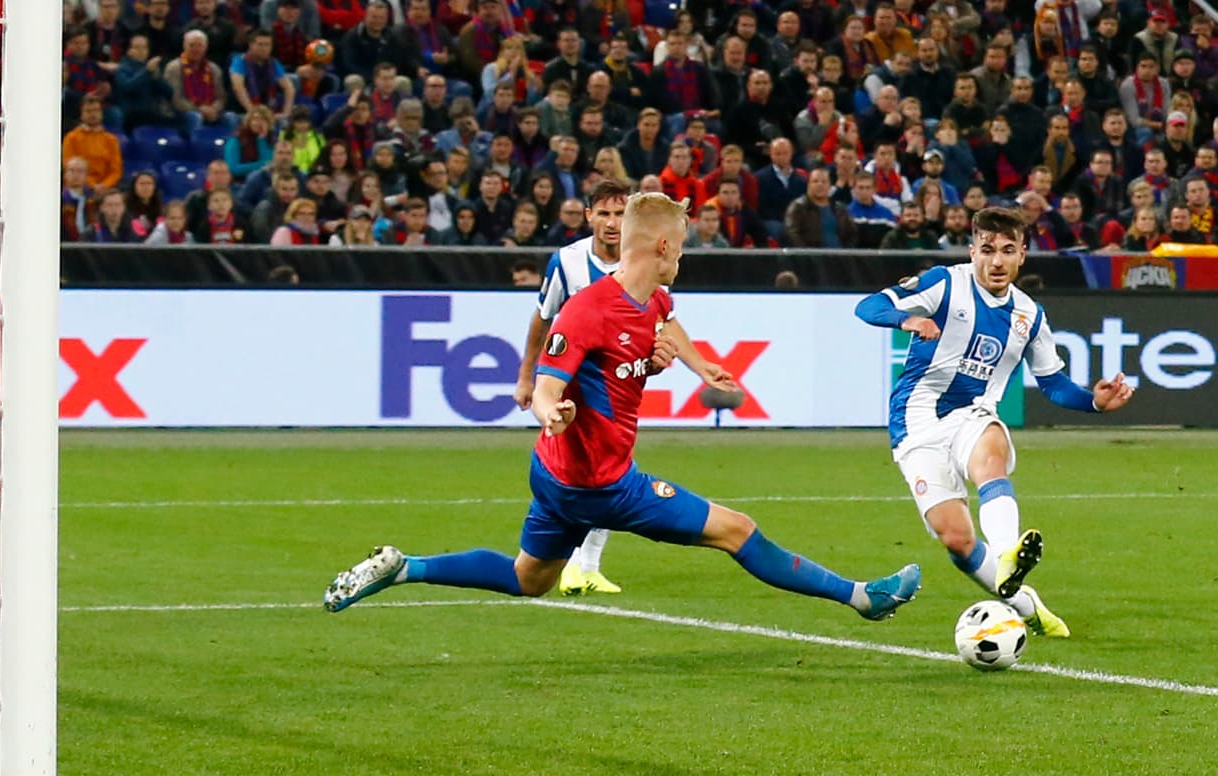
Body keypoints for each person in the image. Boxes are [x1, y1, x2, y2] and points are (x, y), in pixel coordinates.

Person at [325, 191, 922, 618]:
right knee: (737, 530)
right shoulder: (586, 309)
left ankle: (404, 567)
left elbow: (650, 338)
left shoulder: (653, 301)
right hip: (601, 483)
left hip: (556, 474)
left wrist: (688, 364)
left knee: (528, 578)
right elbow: (548, 386)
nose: (683, 257)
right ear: (662, 245)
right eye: (682, 246)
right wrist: (548, 408)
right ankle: (862, 597)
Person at [853, 206, 1136, 638]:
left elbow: (1053, 383)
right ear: (972, 251)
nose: (997, 261)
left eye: (1008, 250)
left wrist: (1093, 403)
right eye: (987, 250)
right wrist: (906, 319)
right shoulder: (945, 283)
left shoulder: (1029, 315)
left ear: (1023, 255)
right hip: (916, 421)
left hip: (974, 415)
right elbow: (869, 307)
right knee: (958, 541)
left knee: (990, 454)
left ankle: (1008, 552)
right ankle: (1030, 607)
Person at [511, 179, 735, 596]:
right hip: (569, 388)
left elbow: (660, 321)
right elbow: (544, 319)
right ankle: (577, 565)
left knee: (609, 468)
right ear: (590, 216)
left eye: (620, 213)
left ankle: (585, 566)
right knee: (598, 476)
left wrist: (692, 365)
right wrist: (529, 378)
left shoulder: (653, 262)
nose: (612, 223)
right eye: (605, 213)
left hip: (614, 386)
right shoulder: (568, 263)